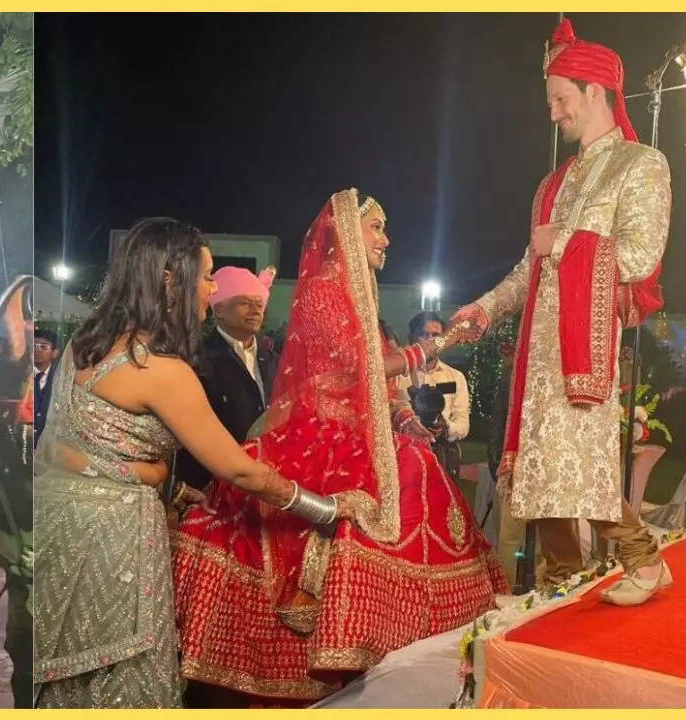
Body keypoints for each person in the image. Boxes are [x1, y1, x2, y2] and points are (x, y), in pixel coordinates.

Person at [173, 189, 506, 706]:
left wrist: (404, 419)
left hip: (362, 430)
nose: (386, 240)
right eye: (377, 227)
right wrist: (439, 345)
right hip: (320, 433)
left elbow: (379, 387)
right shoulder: (326, 290)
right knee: (355, 510)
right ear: (348, 230)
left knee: (415, 472)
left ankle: (395, 653)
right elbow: (362, 369)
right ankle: (334, 652)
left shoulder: (361, 294)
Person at [33, 217, 337, 709]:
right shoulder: (160, 370)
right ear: (170, 279)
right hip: (114, 546)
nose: (212, 289)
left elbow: (81, 443)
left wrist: (162, 480)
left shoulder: (81, 345)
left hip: (55, 530)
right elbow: (239, 469)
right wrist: (326, 510)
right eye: (208, 275)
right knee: (117, 678)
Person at [451, 18, 671, 605]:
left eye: (560, 99)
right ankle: (559, 584)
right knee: (542, 469)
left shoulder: (641, 164)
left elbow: (641, 255)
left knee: (581, 464)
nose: (553, 113)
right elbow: (530, 269)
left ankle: (644, 561)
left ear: (595, 91)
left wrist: (567, 240)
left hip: (584, 348)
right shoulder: (552, 184)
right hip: (538, 353)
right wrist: (484, 309)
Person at [172, 266, 280, 495]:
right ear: (219, 309)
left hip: (265, 477)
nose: (255, 311)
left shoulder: (273, 359)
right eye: (245, 303)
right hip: (211, 482)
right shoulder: (196, 359)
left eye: (259, 304)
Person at [399, 310, 471, 480]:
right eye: (424, 334)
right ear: (411, 337)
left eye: (436, 335)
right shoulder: (397, 375)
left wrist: (445, 427)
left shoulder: (455, 377)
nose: (430, 340)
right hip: (403, 457)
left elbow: (463, 423)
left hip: (441, 458)